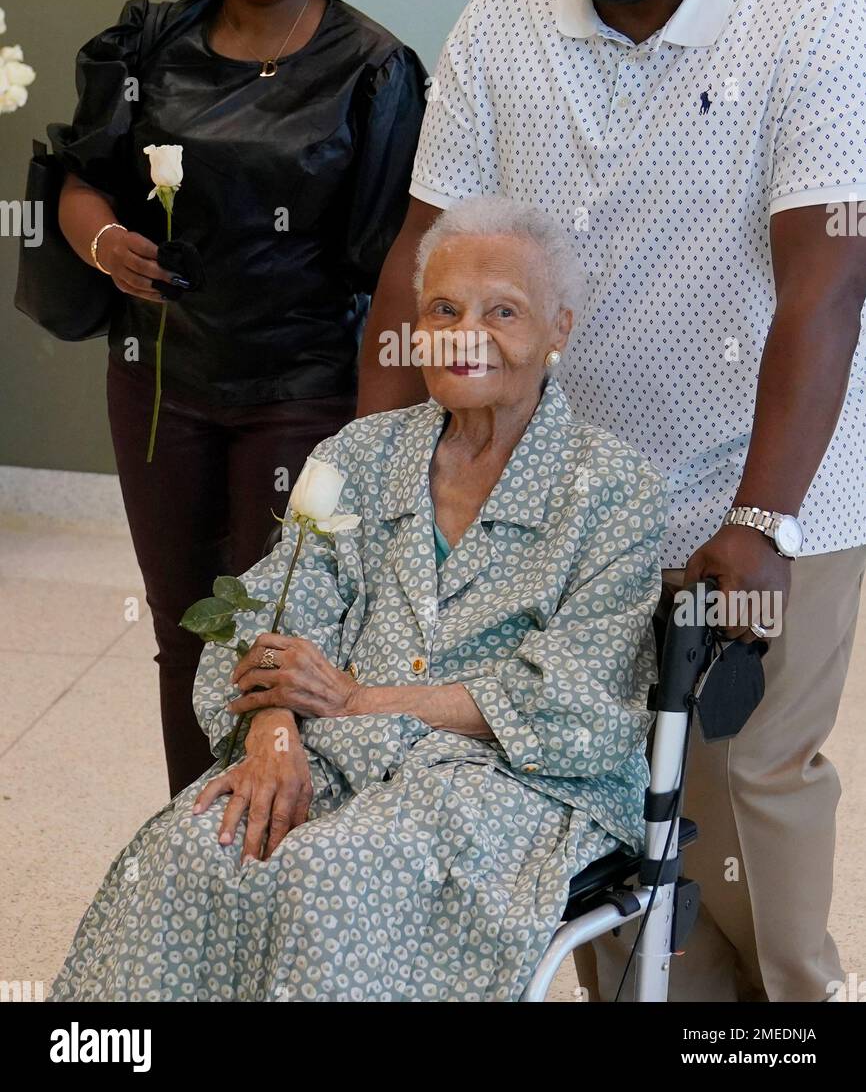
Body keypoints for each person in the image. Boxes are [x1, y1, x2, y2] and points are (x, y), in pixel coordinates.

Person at [355, 0, 866, 1003]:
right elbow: (414, 263)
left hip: (772, 481)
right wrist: (364, 483)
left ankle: (796, 1014)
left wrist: (759, 518)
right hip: (566, 496)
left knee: (744, 785)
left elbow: (827, 277)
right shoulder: (506, 12)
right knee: (592, 787)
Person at [47, 196, 666, 1002]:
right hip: (339, 755)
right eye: (444, 308)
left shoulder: (614, 489)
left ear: (559, 330)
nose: (465, 332)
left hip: (513, 783)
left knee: (330, 873)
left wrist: (358, 699)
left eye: (502, 311)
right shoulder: (361, 454)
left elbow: (579, 700)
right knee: (193, 848)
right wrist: (273, 727)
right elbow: (265, 614)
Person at [52, 0, 428, 797]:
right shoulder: (143, 47)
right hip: (160, 377)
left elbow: (394, 257)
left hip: (304, 386)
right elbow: (79, 177)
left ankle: (276, 848)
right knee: (181, 625)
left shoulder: (373, 69)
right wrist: (103, 243)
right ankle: (195, 831)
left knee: (272, 641)